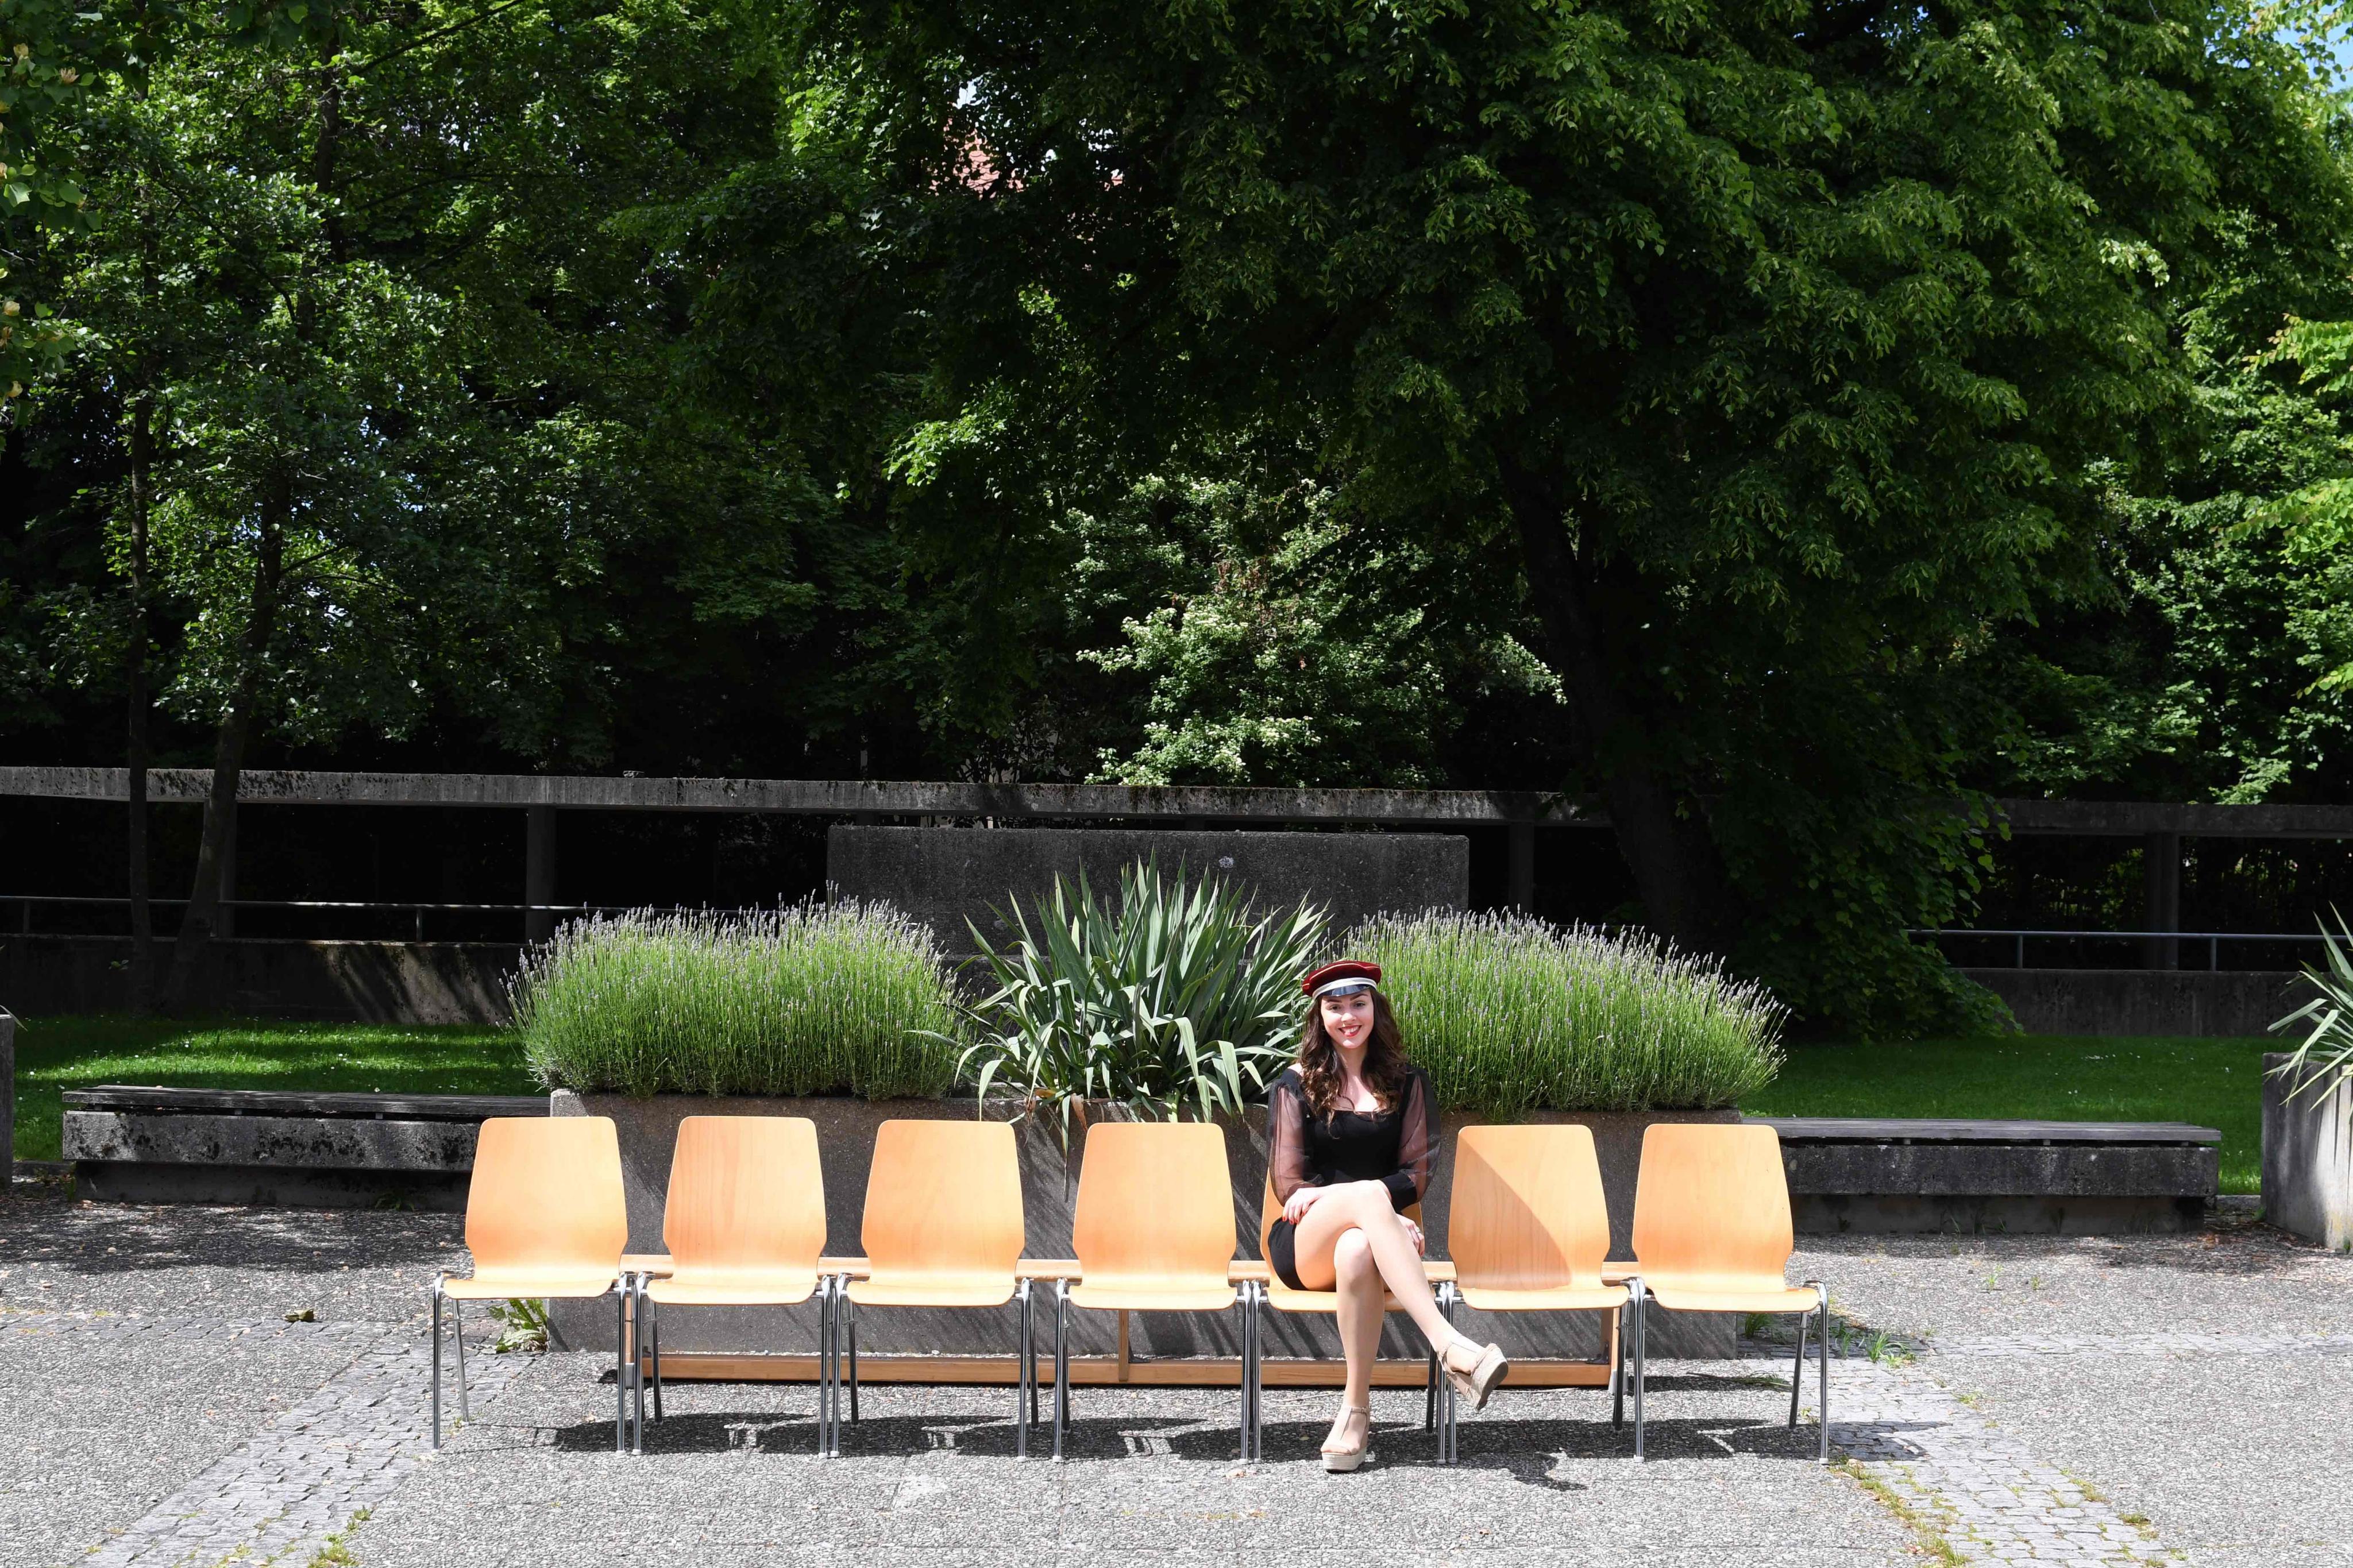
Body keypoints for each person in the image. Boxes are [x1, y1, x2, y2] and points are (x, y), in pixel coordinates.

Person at [1266, 959, 1507, 1471]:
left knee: (1357, 1247)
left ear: (1376, 1009)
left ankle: (1355, 1413)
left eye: (1359, 1004)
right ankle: (1448, 1345)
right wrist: (1380, 1209)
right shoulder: (1296, 1084)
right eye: (1335, 1008)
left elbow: (1415, 1175)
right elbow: (1291, 1187)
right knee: (1369, 1204)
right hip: (1304, 1243)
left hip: (1372, 1247)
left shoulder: (1407, 1082)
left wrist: (1374, 1212)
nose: (1348, 1017)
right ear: (1320, 1017)